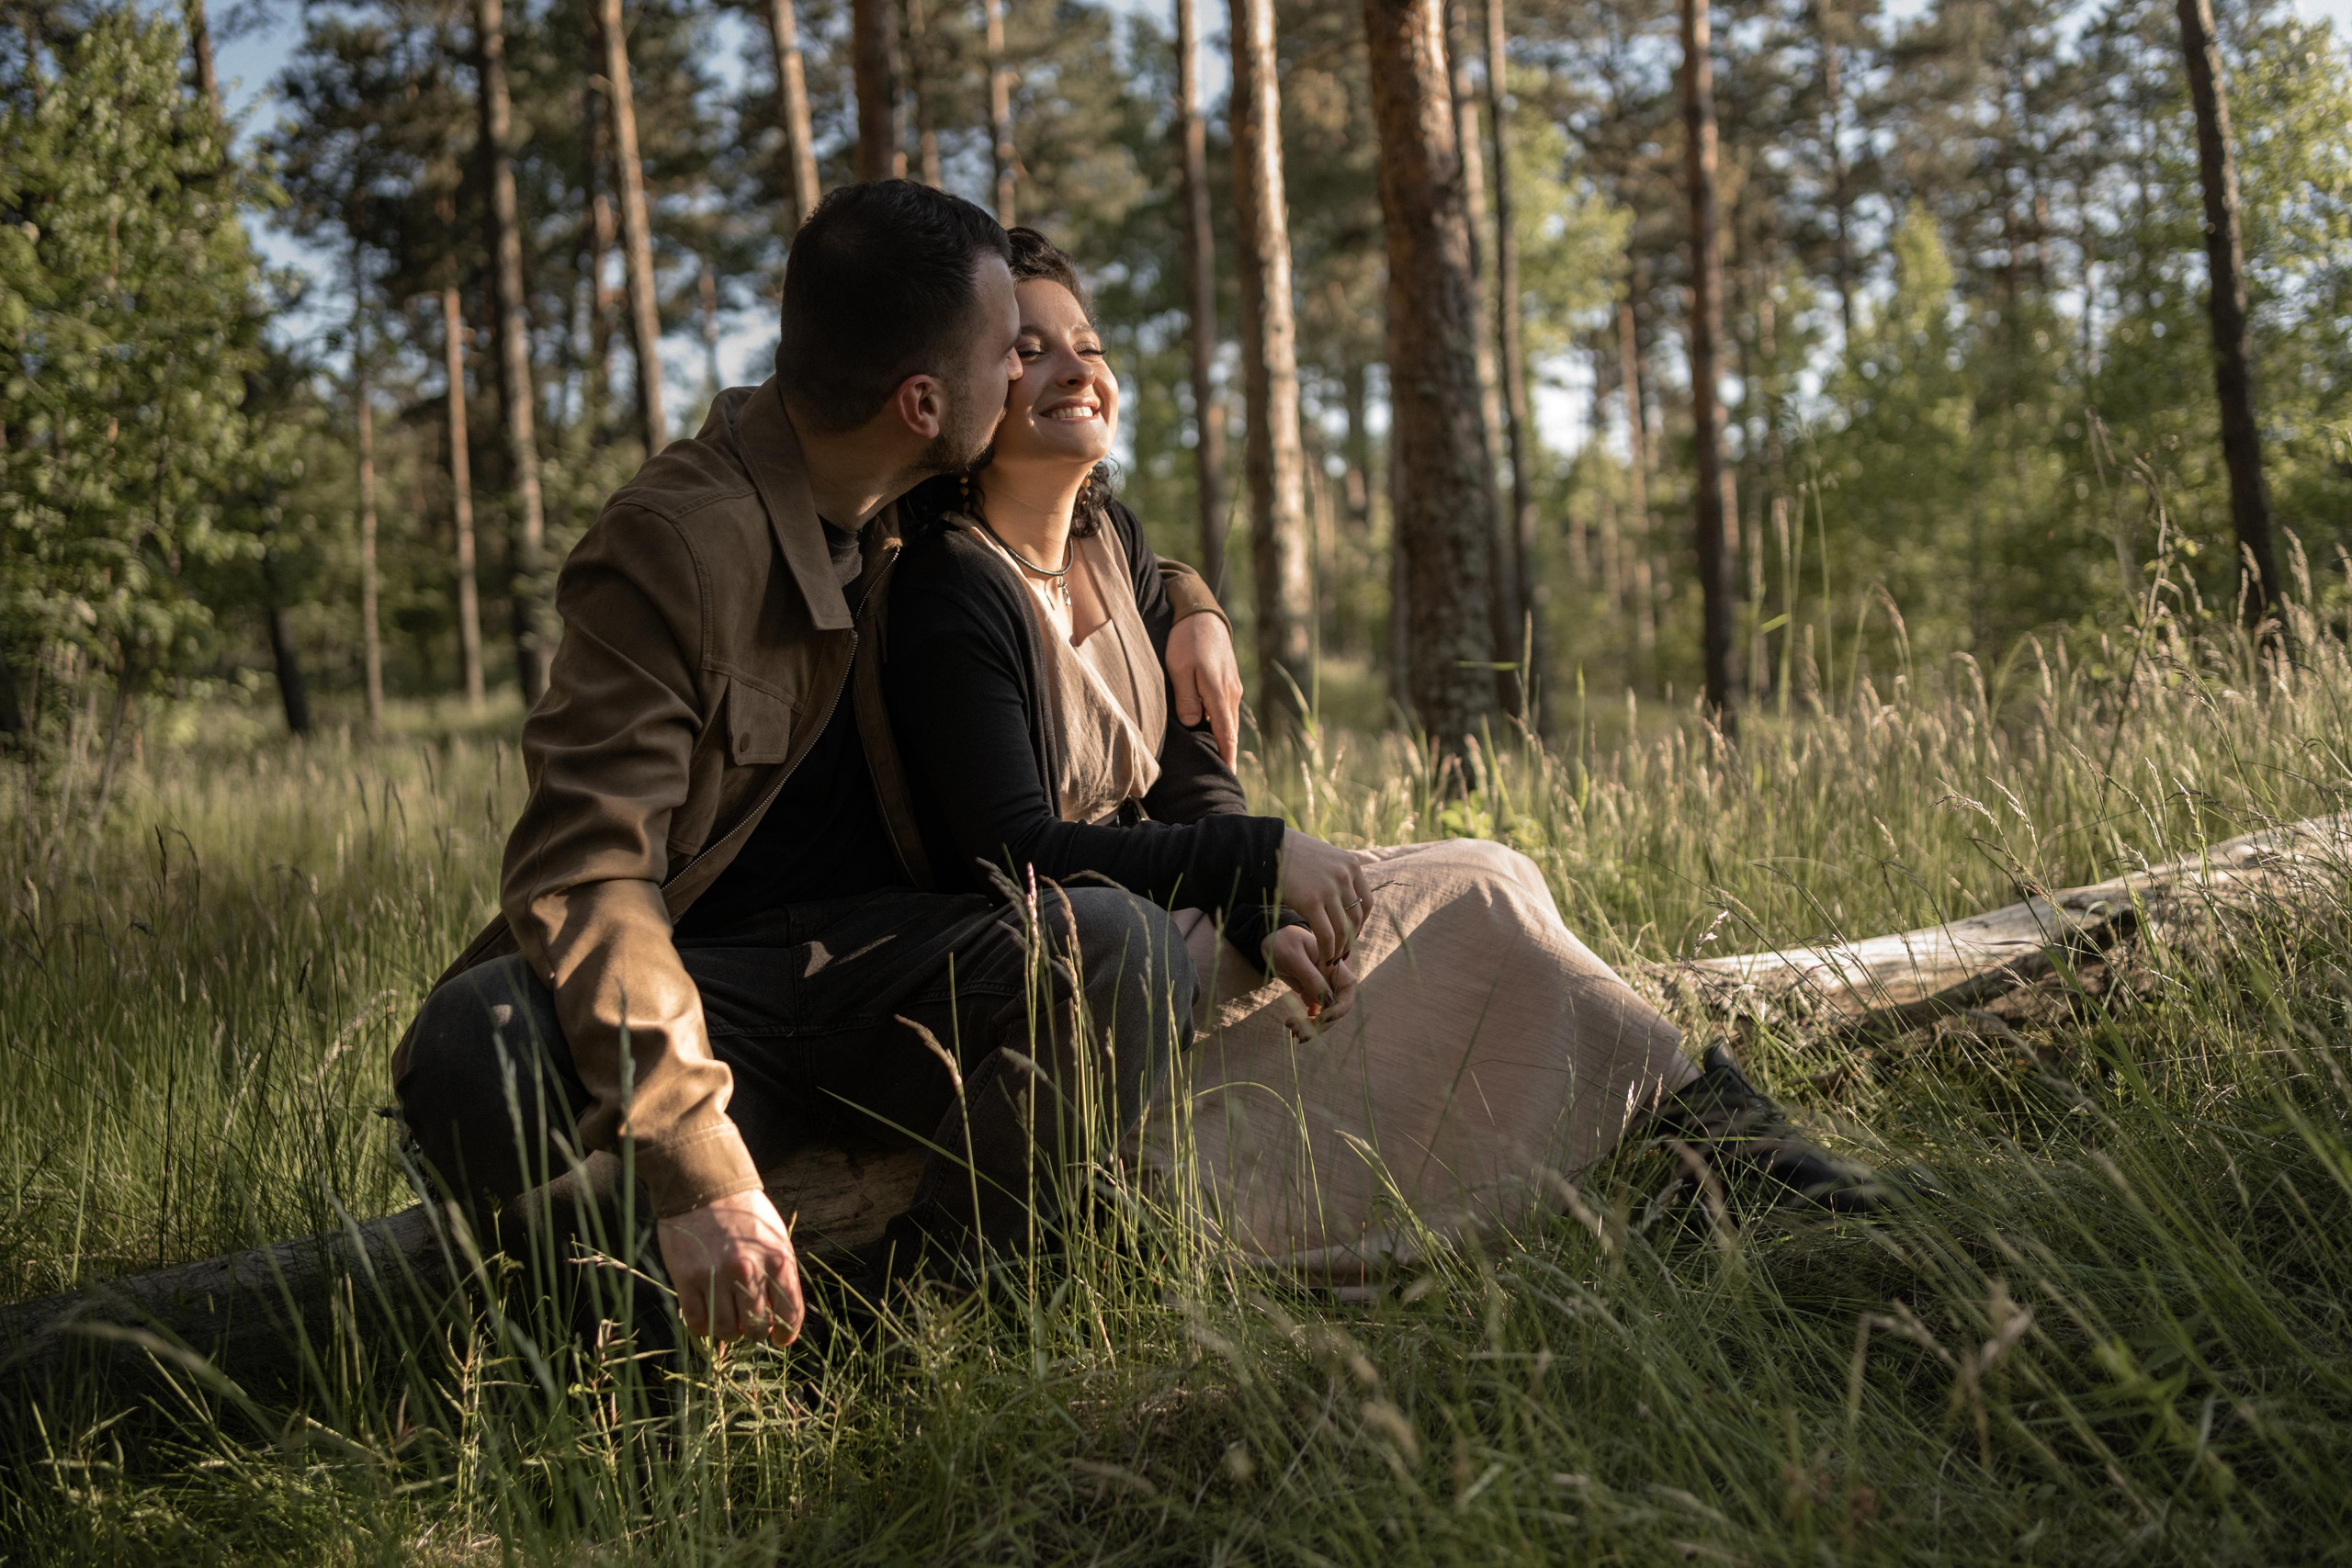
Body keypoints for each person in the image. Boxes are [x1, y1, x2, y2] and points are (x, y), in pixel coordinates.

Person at [882, 230, 1884, 1276]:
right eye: (1028, 350)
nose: (1074, 367)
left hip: (1179, 920)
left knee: (1491, 875)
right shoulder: (950, 589)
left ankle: (1707, 1150)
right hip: (1089, 983)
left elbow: (1194, 786)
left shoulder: (1112, 544)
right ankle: (1694, 1162)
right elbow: (1010, 851)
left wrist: (1261, 909)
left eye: (1085, 342)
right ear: (963, 393)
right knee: (1476, 891)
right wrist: (1256, 867)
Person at [391, 184, 1263, 1349]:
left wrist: (1191, 609)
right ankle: (598, 1290)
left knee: (1122, 949)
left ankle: (929, 1308)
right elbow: (588, 872)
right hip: (716, 989)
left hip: (898, 964)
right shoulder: (673, 544)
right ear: (921, 402)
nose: (1026, 376)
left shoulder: (903, 490)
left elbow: (1087, 520)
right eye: (1006, 355)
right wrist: (695, 1161)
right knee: (470, 1048)